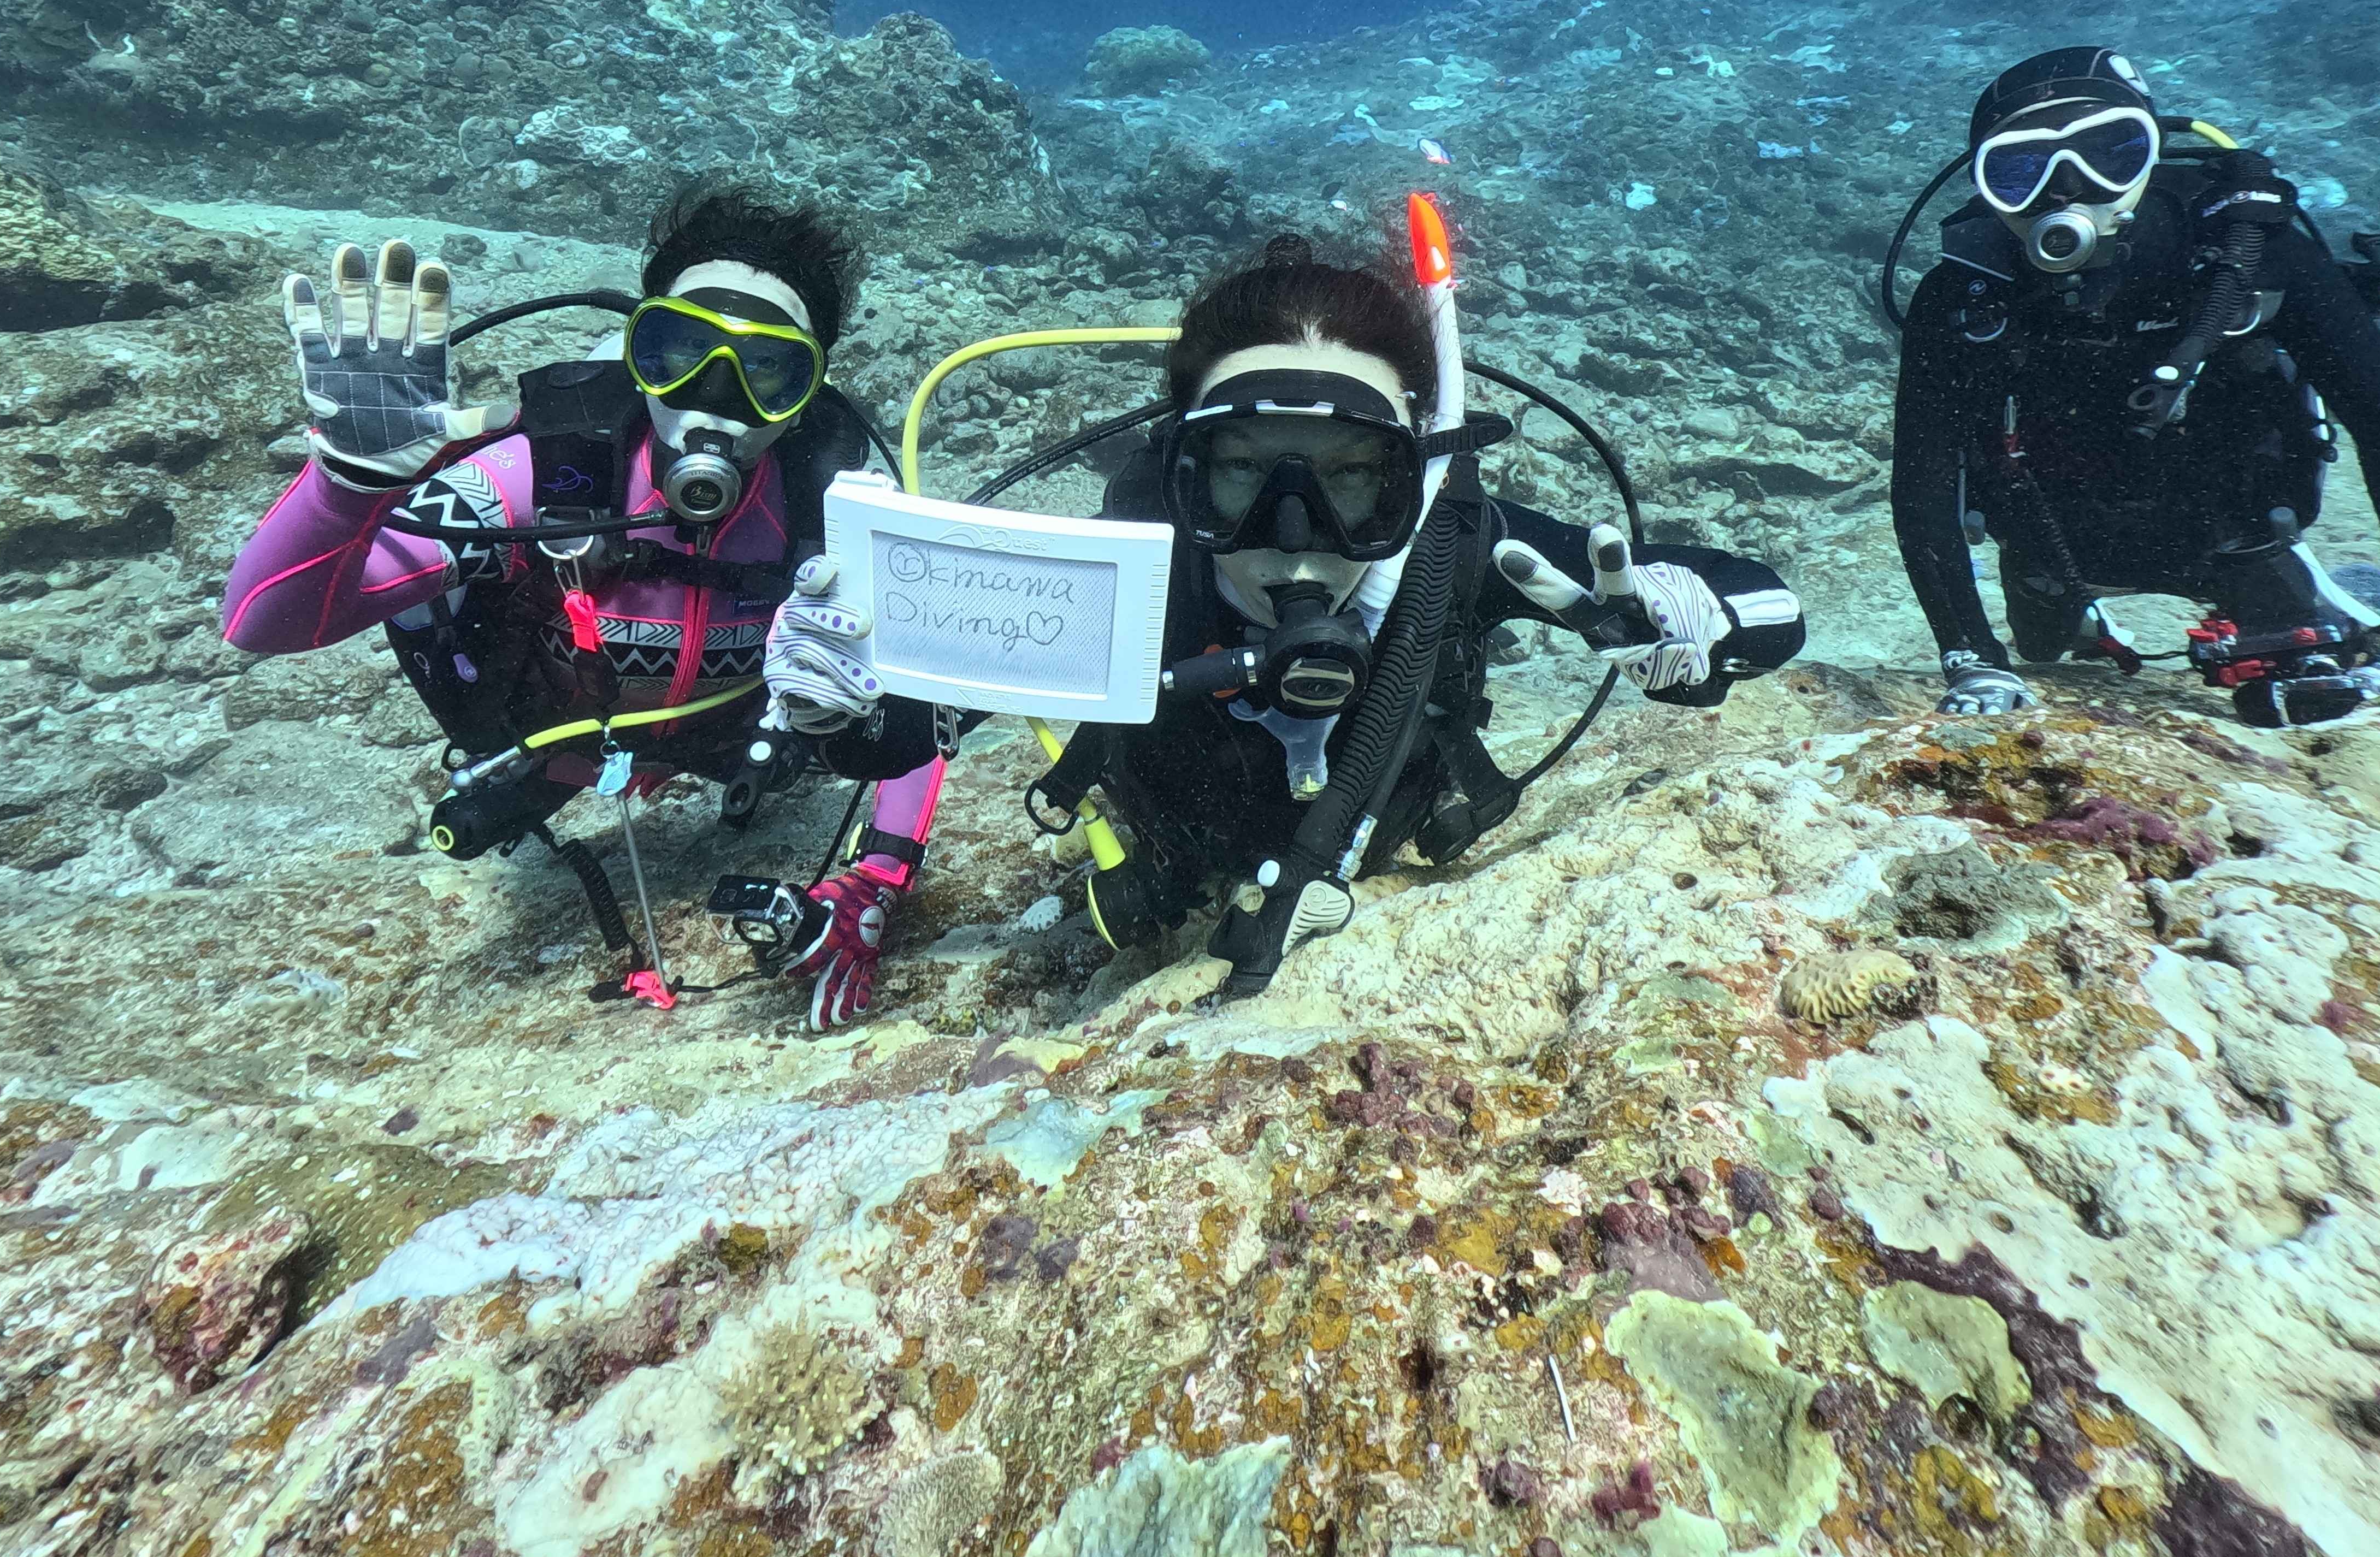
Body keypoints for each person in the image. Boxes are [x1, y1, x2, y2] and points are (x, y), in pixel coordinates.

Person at [765, 230, 1808, 998]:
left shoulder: (1461, 546)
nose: (1293, 529)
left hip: (1393, 845)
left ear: (1413, 476)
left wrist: (1687, 622)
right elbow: (900, 732)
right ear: (1182, 475)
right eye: (1241, 476)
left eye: (1354, 480)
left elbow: (1770, 601)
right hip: (1170, 861)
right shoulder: (1134, 573)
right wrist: (834, 701)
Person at [221, 181, 944, 1027]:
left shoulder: (831, 500)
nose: (713, 397)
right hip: (549, 731)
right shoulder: (546, 469)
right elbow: (262, 621)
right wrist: (345, 487)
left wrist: (876, 884)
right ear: (637, 353)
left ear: (807, 395)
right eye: (679, 350)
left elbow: (924, 704)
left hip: (737, 736)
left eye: (767, 371)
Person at [1888, 45, 2380, 726]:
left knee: (2303, 692)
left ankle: (2363, 593)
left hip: (2233, 533)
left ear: (2151, 153)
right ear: (1985, 185)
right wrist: (1973, 655)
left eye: (2109, 151)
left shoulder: (2255, 256)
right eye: (2022, 169)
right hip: (2051, 545)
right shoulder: (1963, 295)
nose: (2066, 189)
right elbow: (1924, 485)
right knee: (2040, 650)